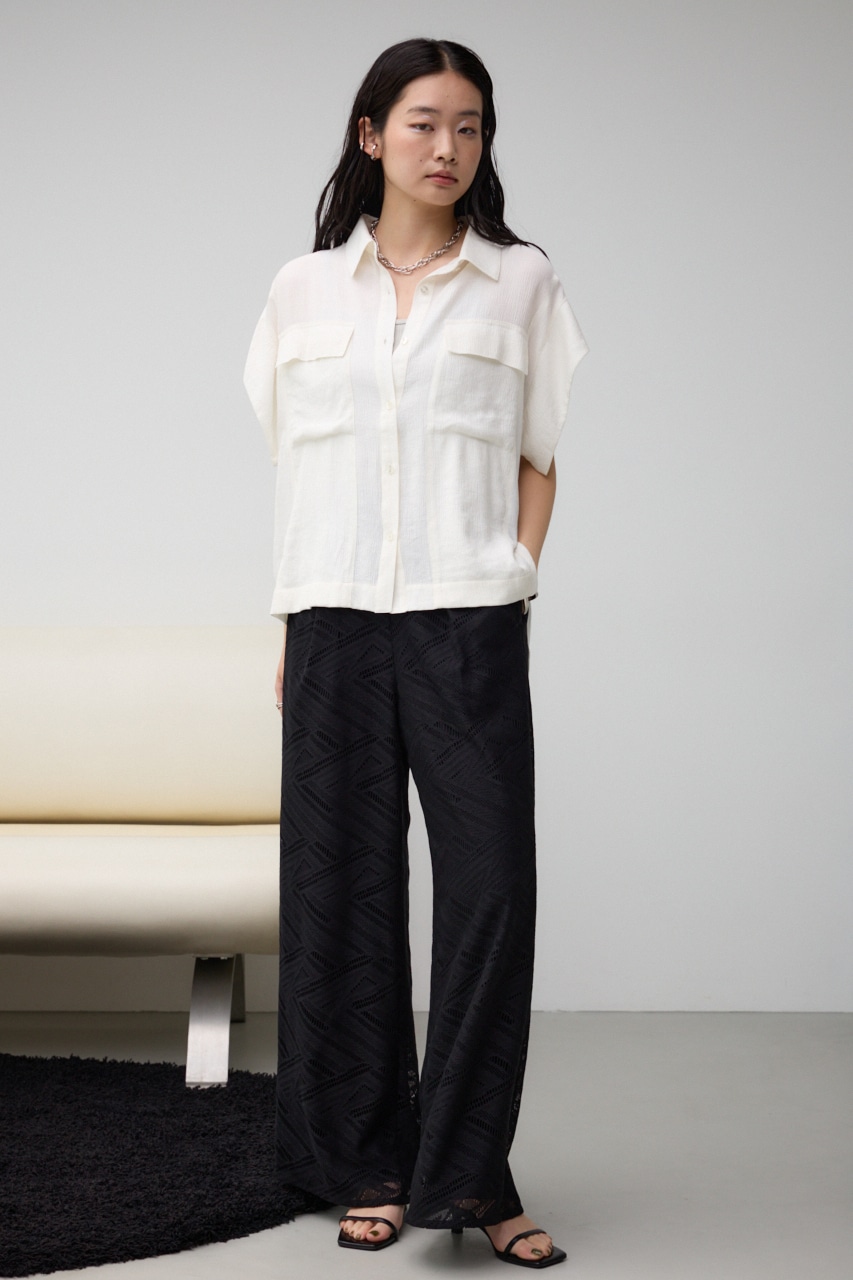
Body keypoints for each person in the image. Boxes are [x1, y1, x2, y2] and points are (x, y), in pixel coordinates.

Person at [243, 36, 587, 1269]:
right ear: (371, 133)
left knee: (491, 891)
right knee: (341, 898)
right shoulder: (301, 290)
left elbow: (539, 453)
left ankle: (474, 1173)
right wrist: (293, 622)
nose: (448, 147)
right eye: (425, 122)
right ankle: (372, 1166)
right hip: (333, 621)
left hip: (466, 620)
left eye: (471, 126)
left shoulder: (519, 282)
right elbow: (300, 470)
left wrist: (514, 574)